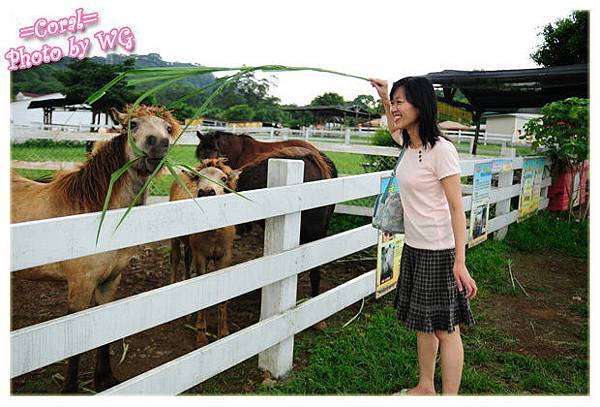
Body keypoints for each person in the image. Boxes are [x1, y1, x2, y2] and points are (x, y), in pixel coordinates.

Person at [370, 76, 478, 395]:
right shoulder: (408, 143)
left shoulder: (441, 150)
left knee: (446, 328)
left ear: (420, 104)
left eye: (400, 101)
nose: (394, 107)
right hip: (415, 248)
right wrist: (381, 96)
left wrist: (460, 261)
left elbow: (458, 210)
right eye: (394, 101)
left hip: (440, 250)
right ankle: (425, 387)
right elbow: (392, 126)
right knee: (423, 322)